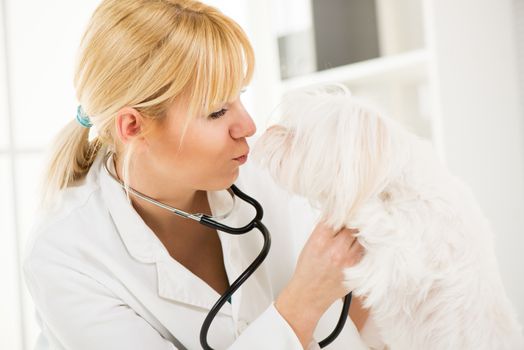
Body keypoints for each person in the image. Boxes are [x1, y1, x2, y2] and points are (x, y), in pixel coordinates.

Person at [22, 0, 374, 349]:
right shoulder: (65, 255)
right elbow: (314, 308)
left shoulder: (265, 176)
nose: (248, 126)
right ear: (133, 126)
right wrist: (304, 301)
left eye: (240, 97)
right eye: (218, 111)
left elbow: (361, 310)